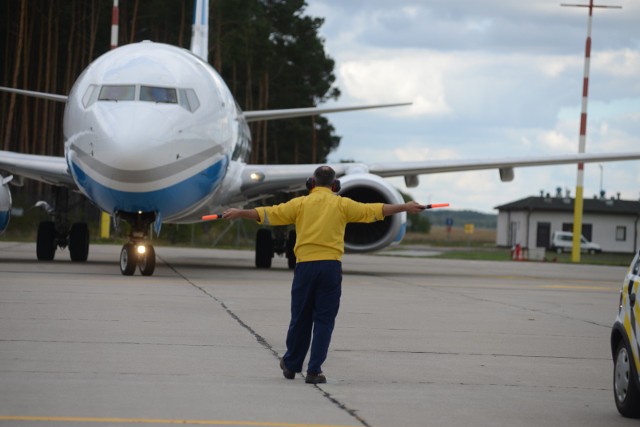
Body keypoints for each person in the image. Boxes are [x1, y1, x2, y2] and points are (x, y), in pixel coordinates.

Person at [222, 166, 426, 384]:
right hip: (330, 268)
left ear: (312, 182)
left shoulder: (300, 204)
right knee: (324, 321)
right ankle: (314, 370)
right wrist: (405, 206)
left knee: (300, 318)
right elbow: (376, 210)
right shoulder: (342, 205)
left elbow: (267, 213)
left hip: (305, 268)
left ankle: (291, 364)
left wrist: (240, 213)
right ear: (335, 185)